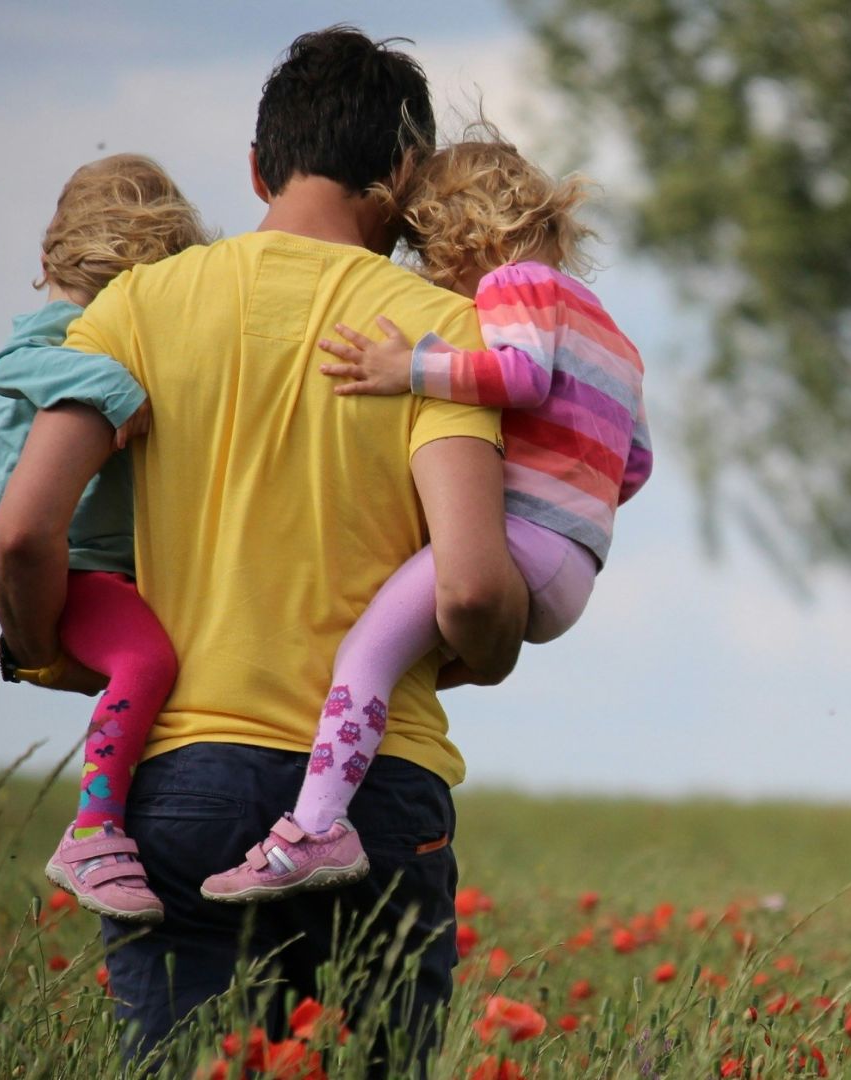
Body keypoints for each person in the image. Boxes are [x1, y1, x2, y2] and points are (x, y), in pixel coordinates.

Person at [0, 26, 527, 1068]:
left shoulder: (135, 307)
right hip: (376, 795)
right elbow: (468, 587)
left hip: (179, 781)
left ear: (256, 167)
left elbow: (22, 533)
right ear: (405, 174)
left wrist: (50, 647)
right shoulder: (437, 332)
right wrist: (489, 650)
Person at [202, 129, 652, 903]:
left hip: (520, 541)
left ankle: (315, 828)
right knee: (404, 659)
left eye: (428, 249)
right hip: (576, 563)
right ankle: (340, 786)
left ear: (463, 233)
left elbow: (519, 376)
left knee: (365, 655)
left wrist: (406, 368)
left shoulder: (516, 285)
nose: (430, 272)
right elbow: (635, 464)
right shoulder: (614, 334)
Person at [0, 154, 208, 923]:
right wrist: (115, 387)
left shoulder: (91, 328)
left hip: (114, 570)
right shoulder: (57, 336)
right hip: (76, 569)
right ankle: (94, 829)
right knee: (147, 660)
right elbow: (15, 363)